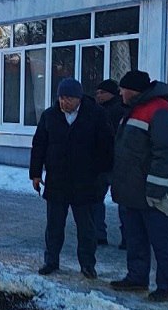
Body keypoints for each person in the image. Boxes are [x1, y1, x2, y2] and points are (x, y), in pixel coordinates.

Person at [109, 70, 168, 302]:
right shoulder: (133, 111)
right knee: (135, 239)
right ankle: (137, 277)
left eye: (123, 88)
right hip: (133, 193)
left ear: (133, 90)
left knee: (163, 242)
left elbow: (166, 154)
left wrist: (156, 190)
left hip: (155, 195)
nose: (119, 92)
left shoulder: (160, 111)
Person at [29, 77, 114, 279]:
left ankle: (87, 264)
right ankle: (51, 261)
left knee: (86, 228)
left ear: (79, 99)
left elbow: (107, 147)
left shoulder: (96, 115)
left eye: (68, 98)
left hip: (85, 183)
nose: (63, 102)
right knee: (54, 226)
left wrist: (102, 176)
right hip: (57, 181)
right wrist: (35, 173)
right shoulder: (50, 116)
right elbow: (39, 145)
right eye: (61, 98)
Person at [93, 78, 127, 248]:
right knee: (97, 199)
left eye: (102, 92)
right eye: (97, 93)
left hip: (117, 163)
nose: (98, 95)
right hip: (102, 163)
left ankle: (125, 237)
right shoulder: (97, 110)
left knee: (123, 200)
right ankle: (100, 234)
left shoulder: (119, 111)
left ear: (112, 93)